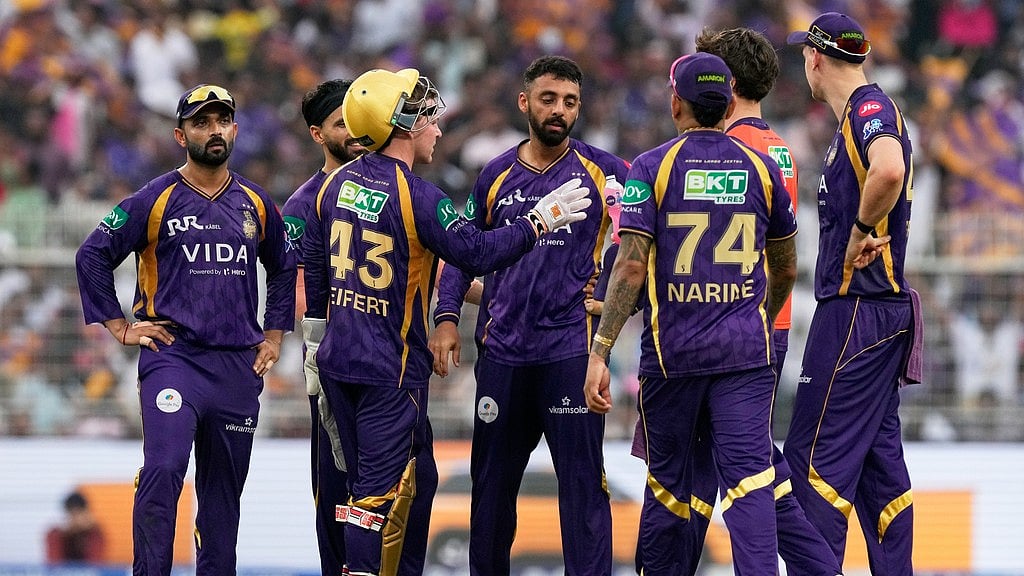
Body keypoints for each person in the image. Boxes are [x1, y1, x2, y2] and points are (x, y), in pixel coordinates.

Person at [300, 67, 591, 576]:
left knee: (413, 480)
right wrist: (539, 220)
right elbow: (476, 252)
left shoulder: (331, 186)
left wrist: (317, 341)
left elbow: (319, 268)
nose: (437, 127)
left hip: (339, 363)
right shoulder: (420, 196)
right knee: (373, 500)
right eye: (428, 117)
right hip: (390, 372)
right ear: (404, 124)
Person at [583, 52, 798, 574]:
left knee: (670, 487)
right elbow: (786, 267)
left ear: (675, 101)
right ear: (728, 104)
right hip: (745, 357)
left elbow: (630, 270)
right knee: (750, 484)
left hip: (673, 358)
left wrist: (600, 351)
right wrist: (757, 320)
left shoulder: (650, 169)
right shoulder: (762, 168)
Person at [76, 84, 296, 576]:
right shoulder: (154, 198)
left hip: (238, 366)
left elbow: (284, 267)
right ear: (181, 134)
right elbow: (92, 253)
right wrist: (118, 325)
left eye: (222, 121)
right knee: (164, 469)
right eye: (201, 122)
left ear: (235, 131)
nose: (213, 130)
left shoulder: (257, 203)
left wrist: (276, 333)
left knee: (222, 497)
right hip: (173, 357)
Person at [428, 55, 629, 576]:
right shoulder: (495, 175)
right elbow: (461, 249)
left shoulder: (607, 172)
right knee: (490, 496)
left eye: (569, 102)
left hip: (569, 354)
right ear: (525, 102)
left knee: (584, 491)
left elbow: (639, 247)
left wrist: (610, 297)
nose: (559, 111)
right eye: (548, 99)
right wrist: (447, 317)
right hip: (504, 356)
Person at [674, 27, 842, 576]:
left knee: (735, 474)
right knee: (754, 470)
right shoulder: (777, 147)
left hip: (731, 323)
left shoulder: (732, 150)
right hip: (766, 320)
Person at [784, 12, 920, 574]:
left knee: (811, 465)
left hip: (857, 312)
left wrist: (861, 232)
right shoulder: (856, 117)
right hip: (875, 316)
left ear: (816, 57)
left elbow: (887, 168)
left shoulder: (867, 109)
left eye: (803, 56)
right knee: (878, 468)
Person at [282, 78, 365, 576]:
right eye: (341, 124)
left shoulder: (393, 187)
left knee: (399, 492)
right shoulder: (302, 205)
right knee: (338, 490)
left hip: (394, 367)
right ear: (318, 134)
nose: (354, 133)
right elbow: (287, 291)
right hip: (335, 369)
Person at [45, 491, 106, 564]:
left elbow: (94, 563)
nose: (75, 519)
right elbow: (54, 563)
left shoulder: (94, 534)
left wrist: (87, 533)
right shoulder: (56, 534)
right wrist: (65, 534)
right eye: (72, 514)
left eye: (78, 514)